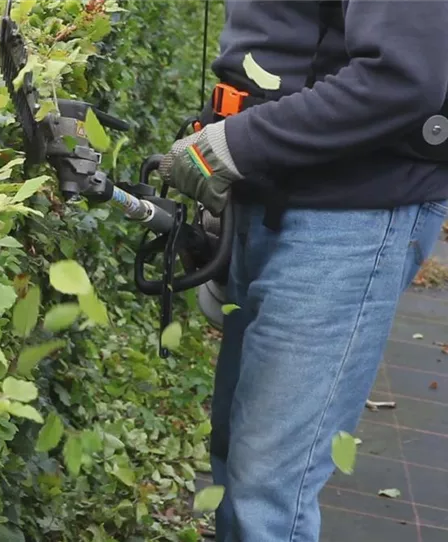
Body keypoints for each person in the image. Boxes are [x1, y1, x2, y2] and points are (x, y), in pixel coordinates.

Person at [155, 1, 448, 541]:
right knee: (236, 457)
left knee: (267, 494)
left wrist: (236, 145)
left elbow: (401, 78)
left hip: (351, 214)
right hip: (275, 192)